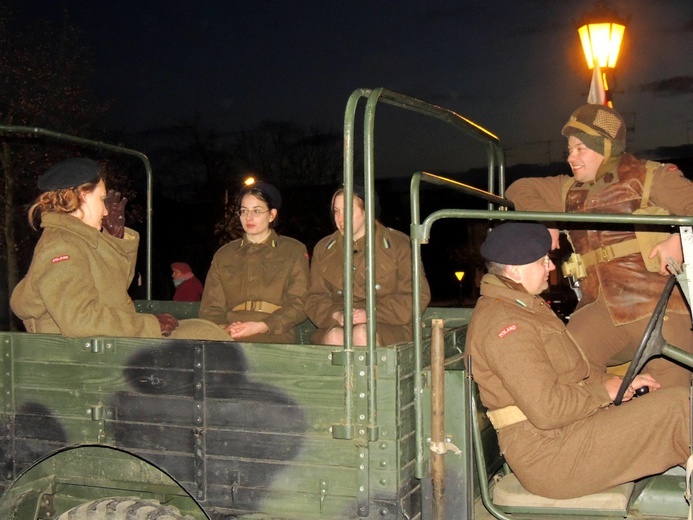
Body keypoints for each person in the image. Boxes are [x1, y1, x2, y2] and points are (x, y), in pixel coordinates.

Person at [465, 222, 689, 500]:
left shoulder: (524, 308)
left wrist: (619, 384)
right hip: (550, 456)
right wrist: (603, 392)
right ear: (514, 270)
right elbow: (547, 410)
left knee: (673, 402)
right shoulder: (505, 324)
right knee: (679, 408)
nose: (550, 267)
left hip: (568, 434)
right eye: (542, 261)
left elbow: (571, 377)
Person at [506, 103, 693, 388]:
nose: (572, 157)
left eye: (581, 148)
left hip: (657, 304)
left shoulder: (653, 177)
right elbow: (519, 189)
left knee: (673, 399)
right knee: (568, 372)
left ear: (606, 147)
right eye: (569, 150)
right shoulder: (569, 190)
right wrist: (546, 220)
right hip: (598, 307)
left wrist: (682, 240)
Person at [11, 158, 228, 341]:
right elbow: (80, 320)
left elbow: (114, 292)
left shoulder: (79, 240)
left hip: (107, 347)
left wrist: (115, 239)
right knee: (207, 338)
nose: (105, 211)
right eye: (102, 199)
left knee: (206, 332)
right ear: (82, 197)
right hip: (87, 360)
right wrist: (150, 325)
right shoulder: (62, 246)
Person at [305, 185, 431, 345]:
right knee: (335, 337)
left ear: (368, 211)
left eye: (348, 210)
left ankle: (377, 369)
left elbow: (417, 296)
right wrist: (336, 315)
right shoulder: (324, 248)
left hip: (389, 324)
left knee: (362, 334)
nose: (340, 219)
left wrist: (371, 314)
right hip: (337, 324)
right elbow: (314, 297)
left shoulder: (398, 244)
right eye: (336, 211)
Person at [199, 182, 309, 343]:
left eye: (256, 211)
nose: (248, 218)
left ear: (272, 215)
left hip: (274, 334)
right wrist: (224, 327)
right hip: (230, 335)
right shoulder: (224, 255)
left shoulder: (293, 250)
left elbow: (299, 302)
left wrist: (263, 325)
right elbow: (211, 307)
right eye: (244, 211)